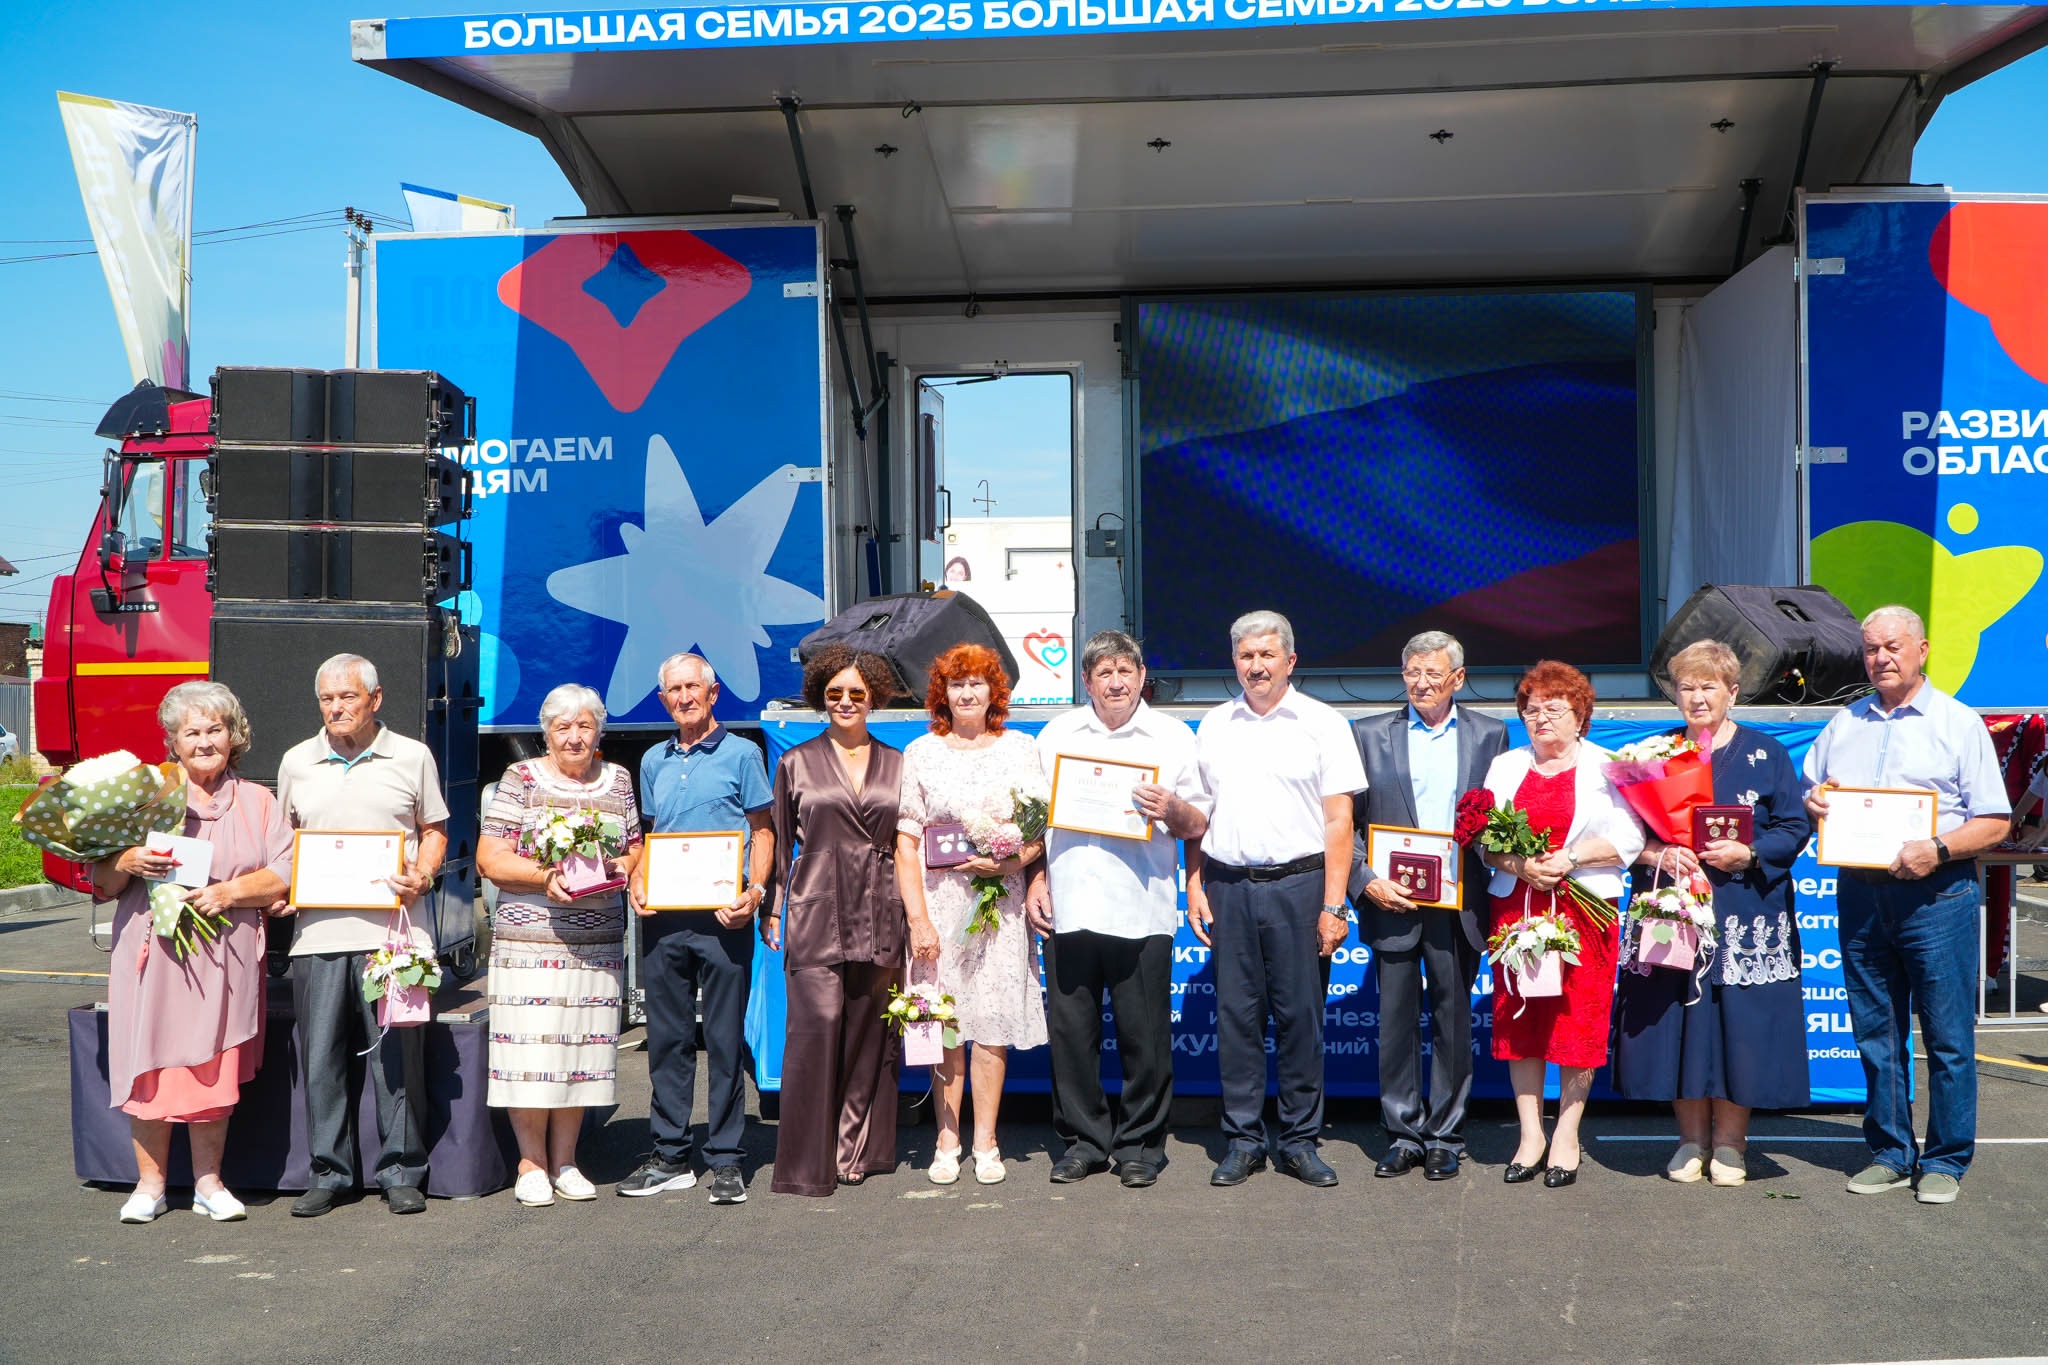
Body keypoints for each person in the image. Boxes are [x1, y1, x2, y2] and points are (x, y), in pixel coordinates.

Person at [1803, 605, 2010, 1205]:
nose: (1881, 658)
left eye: (1893, 646)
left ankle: (1945, 1160)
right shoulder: (1845, 722)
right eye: (1871, 649)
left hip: (1937, 894)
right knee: (1876, 1032)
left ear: (1922, 650)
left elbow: (1995, 821)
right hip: (1861, 894)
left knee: (1947, 1038)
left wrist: (1937, 848)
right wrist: (1815, 802)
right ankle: (1891, 1153)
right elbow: (1813, 790)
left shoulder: (1957, 723)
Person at [1611, 640, 1812, 1186]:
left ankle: (1730, 1144)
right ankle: (1689, 1140)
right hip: (1676, 909)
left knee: (1738, 1028)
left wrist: (1751, 852)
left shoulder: (1766, 753)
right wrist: (1657, 851)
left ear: (1732, 692)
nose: (1697, 697)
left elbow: (1794, 826)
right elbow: (1624, 835)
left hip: (1745, 908)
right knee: (1680, 1022)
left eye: (1708, 686)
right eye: (1687, 687)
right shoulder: (1654, 755)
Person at [97, 682, 293, 1224]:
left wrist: (229, 893)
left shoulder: (258, 801)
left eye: (215, 729)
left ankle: (209, 1184)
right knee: (149, 1066)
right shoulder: (146, 795)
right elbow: (103, 880)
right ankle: (150, 1186)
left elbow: (285, 870)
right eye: (192, 732)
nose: (205, 741)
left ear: (234, 736)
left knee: (213, 1067)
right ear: (173, 742)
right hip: (154, 958)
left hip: (225, 958)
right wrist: (128, 859)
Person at [1187, 611, 1366, 1189]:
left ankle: (1299, 1141)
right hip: (1229, 886)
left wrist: (1334, 905)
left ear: (1291, 660)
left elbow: (1339, 822)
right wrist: (1194, 881)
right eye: (1246, 656)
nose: (1256, 666)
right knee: (1236, 1019)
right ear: (1234, 662)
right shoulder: (1214, 724)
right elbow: (1199, 816)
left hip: (1301, 887)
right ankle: (1243, 1140)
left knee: (1300, 1019)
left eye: (1267, 655)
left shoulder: (1324, 723)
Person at [1025, 631, 1210, 1188]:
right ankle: (1082, 1142)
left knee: (1144, 1036)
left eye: (1125, 671)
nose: (1115, 682)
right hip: (1069, 904)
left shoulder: (1172, 737)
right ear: (1086, 681)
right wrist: (1037, 879)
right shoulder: (1057, 734)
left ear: (1142, 676)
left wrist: (1171, 807)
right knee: (1071, 1036)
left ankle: (1140, 1146)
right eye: (1103, 672)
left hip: (1141, 906)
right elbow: (1033, 820)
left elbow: (1198, 823)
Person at [276, 653, 449, 1217]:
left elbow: (434, 831)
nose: (336, 708)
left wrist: (423, 874)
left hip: (394, 937)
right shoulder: (296, 761)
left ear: (375, 699)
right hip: (318, 935)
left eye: (347, 697)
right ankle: (329, 1173)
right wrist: (282, 887)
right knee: (321, 1059)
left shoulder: (413, 756)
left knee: (397, 1059)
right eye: (326, 699)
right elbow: (286, 844)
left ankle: (402, 1170)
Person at [1348, 631, 1508, 1183]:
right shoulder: (1368, 734)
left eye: (1432, 674)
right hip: (1390, 900)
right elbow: (1347, 825)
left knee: (1452, 1021)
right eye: (1412, 673)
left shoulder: (1489, 734)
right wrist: (1365, 880)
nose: (1421, 683)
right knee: (1395, 1024)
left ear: (1458, 678)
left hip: (1458, 902)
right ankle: (1403, 1134)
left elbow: (1498, 818)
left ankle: (1445, 1136)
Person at [1479, 660, 1644, 1189]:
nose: (1541, 719)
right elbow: (1484, 842)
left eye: (1554, 709)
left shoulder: (1608, 765)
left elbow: (1630, 839)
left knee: (1578, 1020)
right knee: (1521, 1019)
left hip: (1585, 908)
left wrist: (1570, 858)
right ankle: (1530, 1135)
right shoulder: (1505, 766)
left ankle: (1567, 1135)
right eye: (1531, 710)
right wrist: (1518, 865)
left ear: (1581, 716)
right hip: (1517, 906)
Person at [476, 684, 643, 1207]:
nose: (574, 736)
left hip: (596, 945)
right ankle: (530, 1163)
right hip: (529, 942)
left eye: (584, 726)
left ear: (599, 731)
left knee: (578, 1049)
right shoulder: (520, 778)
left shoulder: (618, 779)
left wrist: (619, 867)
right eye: (562, 727)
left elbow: (634, 847)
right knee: (531, 1050)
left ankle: (567, 1161)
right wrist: (544, 876)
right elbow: (490, 858)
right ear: (546, 732)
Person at [624, 653, 775, 1207]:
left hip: (723, 919)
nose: (685, 697)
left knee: (725, 1039)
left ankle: (727, 1158)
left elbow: (763, 831)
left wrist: (754, 893)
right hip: (664, 920)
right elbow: (649, 834)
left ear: (713, 694)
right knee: (667, 1040)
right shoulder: (652, 760)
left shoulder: (743, 754)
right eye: (674, 690)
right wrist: (637, 880)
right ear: (663, 699)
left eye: (694, 687)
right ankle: (669, 1155)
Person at [895, 643, 1048, 1186]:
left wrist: (1008, 861)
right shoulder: (921, 752)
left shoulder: (1021, 748)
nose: (966, 693)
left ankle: (985, 1140)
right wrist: (919, 920)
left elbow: (1037, 833)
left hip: (998, 907)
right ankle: (946, 1138)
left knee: (991, 1024)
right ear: (943, 693)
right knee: (944, 1022)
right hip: (939, 904)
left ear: (993, 692)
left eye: (976, 683)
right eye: (956, 684)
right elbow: (906, 844)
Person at [764, 647, 908, 1195]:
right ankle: (808, 1161)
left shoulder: (898, 763)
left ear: (874, 697)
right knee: (815, 1030)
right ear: (820, 698)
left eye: (856, 693)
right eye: (834, 693)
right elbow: (781, 843)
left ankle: (856, 1151)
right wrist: (773, 907)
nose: (845, 702)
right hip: (816, 907)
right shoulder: (796, 761)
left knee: (871, 1033)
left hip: (881, 905)